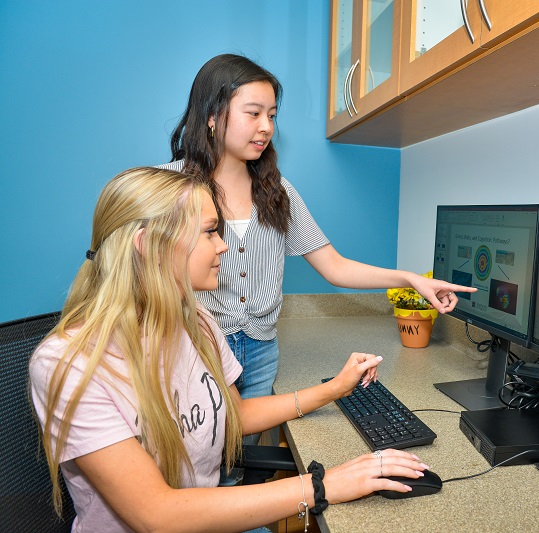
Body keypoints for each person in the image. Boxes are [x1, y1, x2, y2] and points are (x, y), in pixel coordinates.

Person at [29, 167, 429, 533]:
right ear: (148, 245)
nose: (223, 246)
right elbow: (158, 514)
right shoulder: (69, 363)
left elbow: (234, 414)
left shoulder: (197, 322)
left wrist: (335, 389)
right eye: (209, 232)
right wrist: (324, 484)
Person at [161, 53, 475, 427]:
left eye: (272, 116)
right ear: (212, 116)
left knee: (240, 450)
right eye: (253, 113)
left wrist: (410, 279)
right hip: (192, 345)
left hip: (261, 349)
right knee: (202, 450)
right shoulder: (167, 187)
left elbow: (335, 267)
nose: (266, 127)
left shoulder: (277, 192)